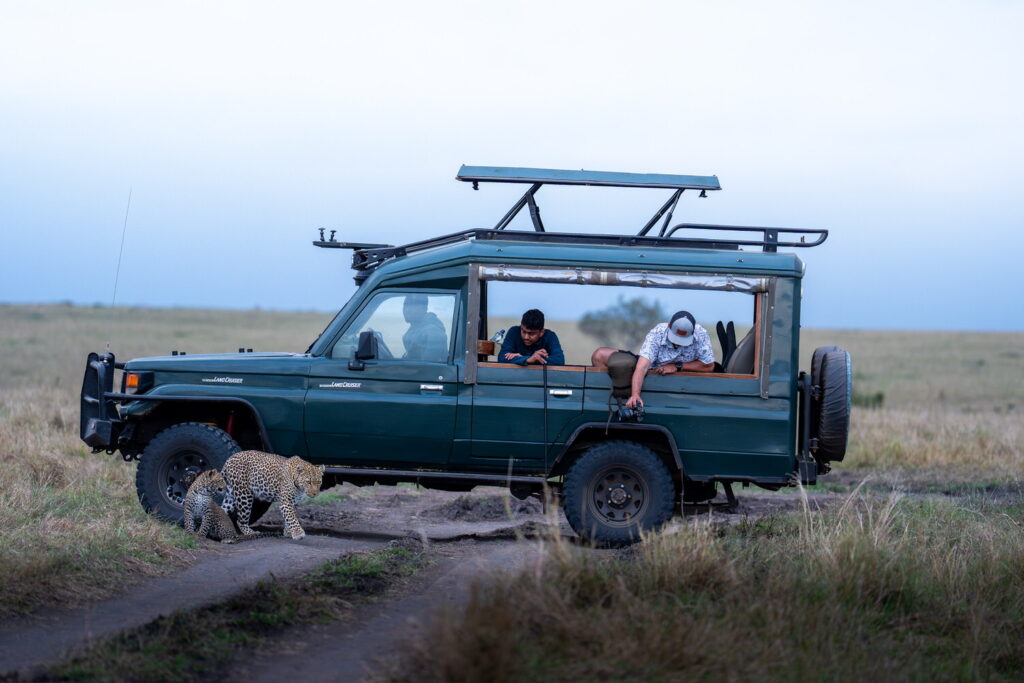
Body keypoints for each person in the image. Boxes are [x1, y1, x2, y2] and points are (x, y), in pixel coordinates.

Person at [591, 310, 715, 408]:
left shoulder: (701, 334)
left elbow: (709, 366)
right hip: (652, 368)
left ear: (693, 332)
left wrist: (677, 367)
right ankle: (606, 399)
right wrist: (635, 395)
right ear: (669, 325)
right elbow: (642, 366)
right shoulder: (658, 332)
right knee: (600, 355)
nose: (679, 344)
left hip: (682, 380)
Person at [499, 308, 565, 366]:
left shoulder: (550, 336)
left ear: (541, 332)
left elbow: (559, 361)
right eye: (523, 331)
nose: (526, 337)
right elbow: (501, 358)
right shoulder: (514, 331)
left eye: (531, 334)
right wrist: (528, 359)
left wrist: (523, 359)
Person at [402, 294, 448, 361]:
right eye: (405, 305)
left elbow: (429, 366)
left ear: (424, 309)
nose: (407, 310)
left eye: (413, 306)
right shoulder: (416, 328)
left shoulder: (432, 331)